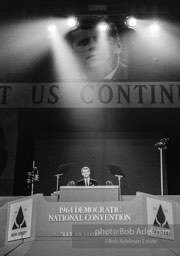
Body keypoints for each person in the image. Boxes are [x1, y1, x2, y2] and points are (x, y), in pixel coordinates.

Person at [66, 16, 128, 81]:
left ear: (118, 47)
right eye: (83, 42)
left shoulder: (134, 75)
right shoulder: (66, 79)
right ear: (73, 54)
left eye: (100, 41)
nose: (92, 45)